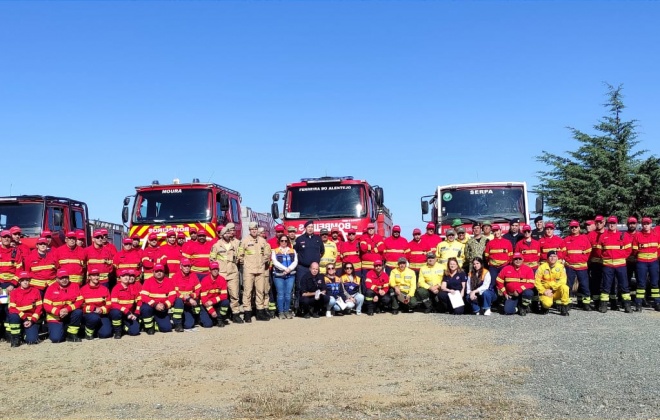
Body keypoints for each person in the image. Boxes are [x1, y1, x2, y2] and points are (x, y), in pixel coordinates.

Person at [598, 216, 633, 313]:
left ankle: (627, 305)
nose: (612, 224)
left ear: (616, 224)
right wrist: (606, 258)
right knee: (606, 285)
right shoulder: (603, 236)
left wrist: (621, 257)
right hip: (607, 266)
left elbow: (628, 249)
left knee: (624, 285)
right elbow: (599, 250)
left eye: (613, 223)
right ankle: (604, 305)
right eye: (610, 223)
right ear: (607, 224)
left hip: (620, 265)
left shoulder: (623, 235)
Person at [239, 221, 272, 322]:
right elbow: (240, 255)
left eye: (255, 229)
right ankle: (247, 313)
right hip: (249, 270)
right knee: (247, 292)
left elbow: (267, 253)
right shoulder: (244, 241)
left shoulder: (262, 241)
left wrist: (263, 260)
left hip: (260, 270)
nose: (254, 231)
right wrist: (246, 263)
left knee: (260, 292)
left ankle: (260, 312)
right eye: (252, 229)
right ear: (249, 230)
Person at [210, 224, 242, 323]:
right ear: (222, 234)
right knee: (221, 295)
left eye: (229, 232)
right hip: (221, 273)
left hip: (233, 273)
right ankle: (222, 315)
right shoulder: (216, 246)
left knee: (234, 295)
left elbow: (239, 257)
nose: (228, 234)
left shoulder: (235, 244)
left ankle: (235, 314)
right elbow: (212, 259)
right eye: (226, 233)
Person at [43, 269, 83, 343]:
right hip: (55, 316)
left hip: (69, 314)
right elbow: (46, 305)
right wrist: (58, 312)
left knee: (78, 312)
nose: (64, 280)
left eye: (66, 277)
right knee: (56, 339)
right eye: (61, 278)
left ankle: (72, 334)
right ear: (57, 279)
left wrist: (67, 309)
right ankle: (58, 330)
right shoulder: (51, 288)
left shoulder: (74, 286)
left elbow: (80, 301)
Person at [562, 220, 592, 310]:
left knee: (584, 285)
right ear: (570, 228)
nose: (574, 229)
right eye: (572, 227)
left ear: (579, 228)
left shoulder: (584, 239)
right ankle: (568, 303)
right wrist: (568, 260)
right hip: (570, 266)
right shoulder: (566, 240)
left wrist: (583, 260)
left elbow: (589, 252)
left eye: (575, 227)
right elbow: (563, 252)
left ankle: (586, 303)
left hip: (582, 266)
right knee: (569, 285)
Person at [7, 271, 42, 347]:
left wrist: (32, 320)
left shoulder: (35, 291)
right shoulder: (14, 292)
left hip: (31, 319)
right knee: (13, 315)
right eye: (23, 280)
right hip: (19, 318)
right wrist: (24, 318)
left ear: (29, 281)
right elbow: (12, 308)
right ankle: (15, 338)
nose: (25, 282)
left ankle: (24, 333)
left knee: (31, 341)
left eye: (27, 280)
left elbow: (39, 308)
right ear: (19, 282)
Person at [632, 217, 660, 311]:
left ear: (651, 224)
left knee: (654, 284)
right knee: (641, 284)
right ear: (642, 225)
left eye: (648, 224)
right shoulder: (637, 235)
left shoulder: (656, 235)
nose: (646, 226)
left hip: (653, 262)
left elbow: (659, 249)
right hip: (641, 263)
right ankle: (638, 303)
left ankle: (657, 302)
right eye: (644, 224)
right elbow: (635, 250)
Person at [140, 264, 176, 334]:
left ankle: (155, 324)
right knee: (145, 308)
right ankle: (149, 327)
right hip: (151, 307)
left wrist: (165, 305)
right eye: (157, 271)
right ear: (153, 272)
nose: (159, 273)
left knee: (167, 328)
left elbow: (173, 296)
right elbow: (144, 296)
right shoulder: (148, 281)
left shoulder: (169, 281)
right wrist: (155, 304)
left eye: (161, 271)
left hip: (162, 308)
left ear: (164, 272)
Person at [294, 220, 324, 304]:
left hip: (314, 269)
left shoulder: (318, 239)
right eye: (308, 227)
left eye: (312, 227)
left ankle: (314, 308)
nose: (310, 229)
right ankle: (299, 307)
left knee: (316, 287)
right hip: (303, 268)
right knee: (300, 287)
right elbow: (295, 252)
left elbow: (322, 251)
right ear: (305, 228)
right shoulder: (300, 239)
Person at [535, 251, 570, 316]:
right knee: (547, 304)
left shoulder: (561, 267)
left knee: (565, 287)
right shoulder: (542, 267)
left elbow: (563, 281)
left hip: (556, 291)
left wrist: (552, 289)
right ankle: (545, 307)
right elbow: (537, 281)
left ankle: (564, 308)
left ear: (557, 258)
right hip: (546, 292)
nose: (552, 258)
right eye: (550, 256)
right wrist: (543, 291)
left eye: (554, 256)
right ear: (547, 258)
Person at [80, 269, 113, 339]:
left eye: (97, 275)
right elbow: (81, 306)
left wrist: (101, 310)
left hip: (102, 314)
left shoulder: (105, 289)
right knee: (94, 318)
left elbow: (109, 304)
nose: (96, 277)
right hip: (89, 315)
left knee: (106, 334)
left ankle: (96, 330)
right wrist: (93, 308)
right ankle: (87, 331)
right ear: (89, 277)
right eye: (93, 276)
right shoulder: (83, 290)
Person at [271, 235, 297, 319]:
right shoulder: (275, 251)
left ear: (288, 242)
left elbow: (295, 261)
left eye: (286, 241)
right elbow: (275, 262)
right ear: (279, 241)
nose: (284, 242)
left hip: (290, 275)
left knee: (288, 294)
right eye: (282, 240)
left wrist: (289, 269)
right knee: (281, 294)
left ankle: (287, 311)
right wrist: (285, 269)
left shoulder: (292, 250)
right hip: (279, 275)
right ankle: (281, 312)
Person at [171, 259, 201, 331]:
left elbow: (198, 289)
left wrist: (191, 296)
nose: (187, 267)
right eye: (185, 266)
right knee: (178, 301)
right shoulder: (175, 277)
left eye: (188, 266)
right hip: (179, 302)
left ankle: (184, 319)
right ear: (181, 266)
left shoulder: (193, 275)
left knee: (189, 325)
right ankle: (177, 324)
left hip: (188, 304)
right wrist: (186, 298)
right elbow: (176, 293)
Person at [110, 269, 141, 339]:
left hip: (130, 315)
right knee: (115, 312)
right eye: (123, 276)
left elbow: (139, 301)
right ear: (120, 278)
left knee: (135, 332)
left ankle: (123, 327)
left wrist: (136, 312)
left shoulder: (133, 288)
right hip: (119, 313)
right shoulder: (116, 288)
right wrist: (126, 311)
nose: (126, 277)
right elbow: (114, 304)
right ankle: (117, 331)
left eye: (127, 275)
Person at [198, 261, 230, 328]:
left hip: (215, 303)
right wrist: (211, 311)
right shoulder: (204, 280)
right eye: (213, 269)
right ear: (210, 270)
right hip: (205, 304)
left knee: (226, 302)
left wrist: (213, 301)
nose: (215, 271)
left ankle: (220, 319)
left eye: (217, 269)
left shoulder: (222, 280)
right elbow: (204, 299)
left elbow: (224, 295)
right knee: (208, 325)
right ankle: (202, 318)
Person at [587, 215, 606, 309]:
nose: (598, 224)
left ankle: (605, 302)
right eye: (597, 222)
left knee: (605, 283)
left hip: (606, 263)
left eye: (600, 222)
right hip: (594, 263)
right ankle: (596, 302)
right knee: (595, 283)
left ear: (604, 223)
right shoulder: (591, 235)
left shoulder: (608, 233)